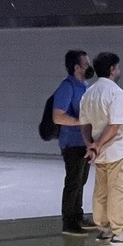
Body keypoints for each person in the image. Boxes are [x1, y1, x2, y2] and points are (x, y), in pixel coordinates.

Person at [80, 52, 123, 246]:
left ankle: (104, 230)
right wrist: (97, 145)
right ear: (112, 69)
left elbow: (84, 124)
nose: (119, 70)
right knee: (118, 189)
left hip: (102, 154)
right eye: (117, 67)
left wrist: (91, 145)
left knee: (101, 191)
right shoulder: (115, 92)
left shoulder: (89, 93)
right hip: (118, 150)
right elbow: (115, 125)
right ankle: (119, 231)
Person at [51, 50, 97, 235]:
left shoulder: (84, 85)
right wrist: (81, 121)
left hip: (83, 142)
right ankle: (68, 222)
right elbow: (58, 117)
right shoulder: (67, 87)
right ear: (76, 67)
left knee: (81, 181)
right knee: (73, 182)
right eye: (85, 64)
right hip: (72, 143)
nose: (88, 67)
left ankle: (78, 216)